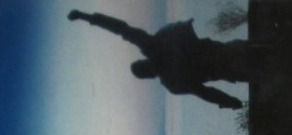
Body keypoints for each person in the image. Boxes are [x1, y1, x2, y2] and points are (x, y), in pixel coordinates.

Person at [68, 9, 249, 109]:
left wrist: (229, 101)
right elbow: (122, 29)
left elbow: (205, 93)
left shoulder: (170, 79)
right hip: (230, 60)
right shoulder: (159, 58)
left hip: (230, 63)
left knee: (257, 59)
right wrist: (85, 17)